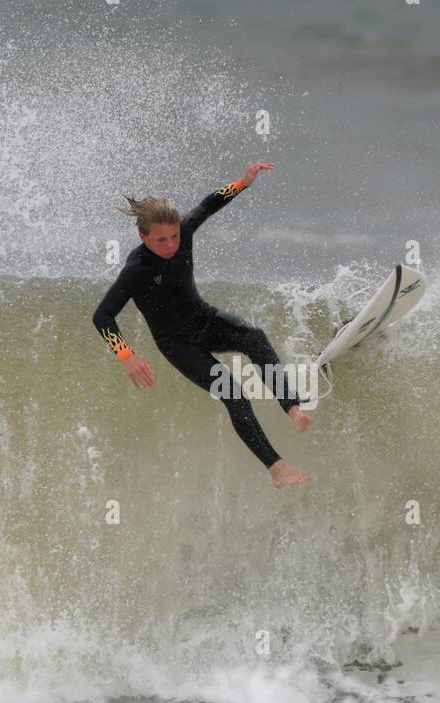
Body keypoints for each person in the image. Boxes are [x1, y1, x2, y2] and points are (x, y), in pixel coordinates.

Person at [92, 162, 314, 487]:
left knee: (254, 337)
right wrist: (127, 356)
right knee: (233, 394)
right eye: (162, 240)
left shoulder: (183, 233)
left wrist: (243, 182)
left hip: (205, 319)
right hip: (177, 344)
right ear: (143, 236)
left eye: (175, 236)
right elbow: (103, 315)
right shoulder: (136, 270)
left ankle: (293, 408)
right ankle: (278, 469)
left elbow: (209, 204)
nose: (171, 245)